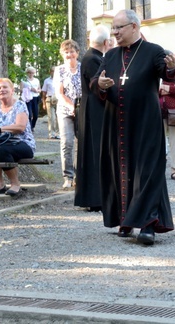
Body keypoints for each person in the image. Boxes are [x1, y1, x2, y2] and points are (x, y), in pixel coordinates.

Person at [94, 9, 175, 246]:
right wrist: (100, 84)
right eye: (113, 28)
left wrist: (172, 67)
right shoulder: (111, 55)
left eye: (119, 27)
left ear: (134, 27)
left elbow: (169, 74)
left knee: (147, 172)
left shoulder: (153, 51)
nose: (115, 32)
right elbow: (95, 82)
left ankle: (148, 224)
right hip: (117, 124)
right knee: (121, 171)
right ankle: (126, 219)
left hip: (145, 123)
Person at [0, 78, 36, 197]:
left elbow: (20, 127)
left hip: (23, 143)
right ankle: (0, 184)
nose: (2, 90)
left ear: (12, 90)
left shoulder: (20, 105)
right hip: (2, 143)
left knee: (3, 149)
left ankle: (15, 184)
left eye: (5, 87)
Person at [75, 25, 110, 211]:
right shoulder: (94, 59)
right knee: (95, 151)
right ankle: (95, 198)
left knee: (93, 151)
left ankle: (94, 198)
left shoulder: (92, 57)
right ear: (106, 42)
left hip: (92, 108)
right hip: (94, 109)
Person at [54, 40, 81, 190]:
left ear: (77, 52)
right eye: (66, 52)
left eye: (72, 51)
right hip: (65, 110)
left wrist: (78, 108)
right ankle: (68, 176)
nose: (69, 54)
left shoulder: (83, 68)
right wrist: (71, 106)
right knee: (67, 142)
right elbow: (59, 93)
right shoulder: (60, 70)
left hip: (81, 109)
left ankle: (80, 175)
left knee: (81, 143)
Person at [159, 63, 175, 180]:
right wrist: (171, 89)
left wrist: (164, 87)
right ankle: (159, 168)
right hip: (159, 111)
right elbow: (154, 90)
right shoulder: (158, 74)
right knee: (159, 141)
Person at [41, 67, 59, 139]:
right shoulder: (47, 81)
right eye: (52, 71)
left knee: (58, 117)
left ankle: (58, 133)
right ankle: (51, 133)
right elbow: (44, 92)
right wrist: (43, 103)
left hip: (58, 99)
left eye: (55, 71)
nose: (53, 73)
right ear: (50, 72)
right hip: (49, 98)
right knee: (51, 117)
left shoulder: (60, 80)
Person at [22, 67, 41, 131]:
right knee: (29, 114)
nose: (31, 74)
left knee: (35, 114)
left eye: (32, 73)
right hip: (28, 98)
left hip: (35, 97)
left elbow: (39, 89)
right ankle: (29, 127)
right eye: (29, 73)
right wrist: (29, 89)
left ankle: (32, 125)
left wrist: (37, 91)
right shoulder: (23, 80)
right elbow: (21, 89)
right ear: (27, 73)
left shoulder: (36, 80)